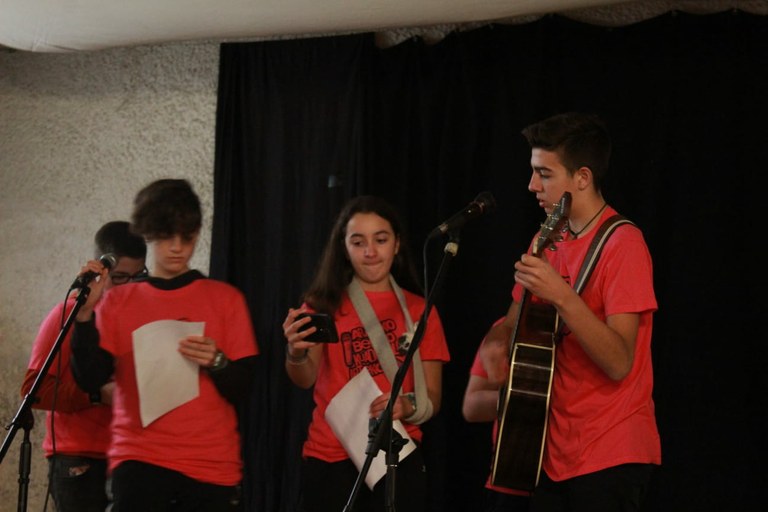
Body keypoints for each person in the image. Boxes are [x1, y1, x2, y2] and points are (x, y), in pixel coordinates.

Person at [480, 112, 660, 511]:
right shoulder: (545, 238)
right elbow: (511, 323)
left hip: (610, 448)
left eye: (544, 174)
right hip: (549, 449)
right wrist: (496, 344)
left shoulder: (624, 243)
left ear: (582, 177)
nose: (532, 185)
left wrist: (561, 295)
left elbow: (619, 362)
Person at [70, 178, 259, 511]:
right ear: (147, 233)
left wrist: (217, 362)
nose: (176, 247)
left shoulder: (224, 299)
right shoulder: (119, 302)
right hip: (139, 459)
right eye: (166, 236)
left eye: (187, 237)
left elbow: (245, 388)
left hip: (209, 464)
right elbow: (90, 378)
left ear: (197, 234)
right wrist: (84, 317)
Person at [282, 195, 451, 512]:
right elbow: (304, 379)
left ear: (396, 244)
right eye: (358, 242)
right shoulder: (321, 305)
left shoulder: (420, 310)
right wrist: (295, 353)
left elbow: (433, 396)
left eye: (380, 240)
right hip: (330, 455)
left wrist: (405, 405)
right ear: (344, 248)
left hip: (395, 456)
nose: (370, 252)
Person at [20, 221, 146, 512]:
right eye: (120, 277)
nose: (130, 286)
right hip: (79, 459)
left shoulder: (139, 315)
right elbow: (33, 390)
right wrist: (96, 395)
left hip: (130, 456)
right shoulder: (69, 313)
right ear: (101, 270)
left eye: (139, 276)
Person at [462, 318, 531, 512]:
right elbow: (471, 407)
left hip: (573, 476)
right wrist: (529, 398)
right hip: (510, 474)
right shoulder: (506, 327)